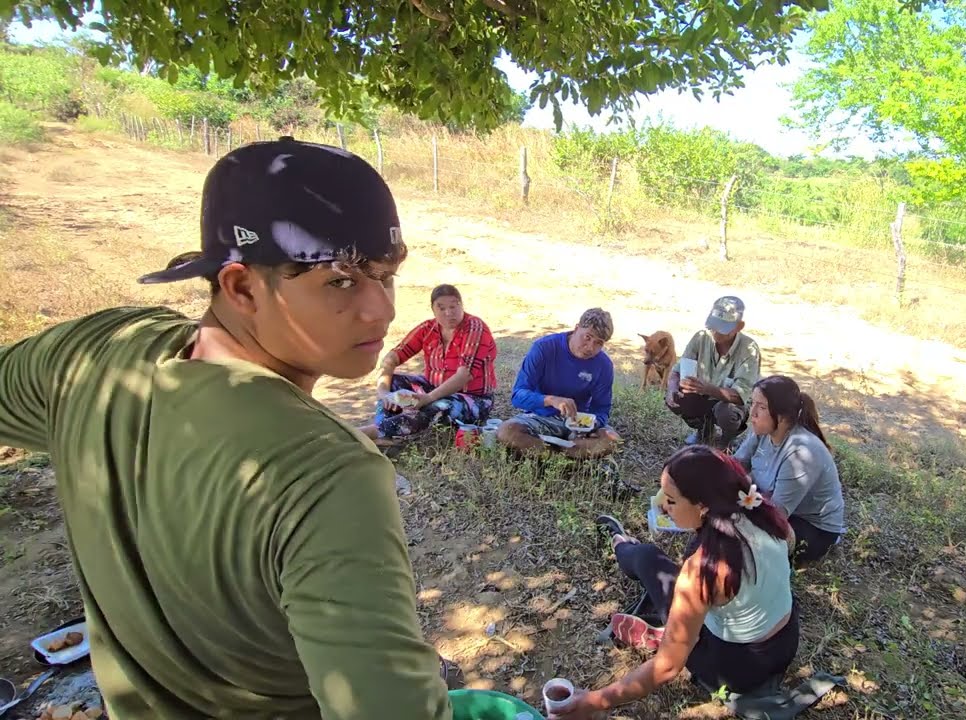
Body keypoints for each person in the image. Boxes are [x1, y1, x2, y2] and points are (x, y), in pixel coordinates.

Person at [0, 139, 451, 718]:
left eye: (386, 276)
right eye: (341, 280)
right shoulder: (328, 477)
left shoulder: (92, 354)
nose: (382, 310)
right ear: (240, 287)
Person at [554, 447, 798, 719]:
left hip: (735, 667)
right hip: (784, 643)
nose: (661, 505)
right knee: (661, 570)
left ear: (703, 506)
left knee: (647, 558)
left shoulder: (702, 570)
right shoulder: (763, 513)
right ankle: (633, 563)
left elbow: (668, 667)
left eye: (670, 500)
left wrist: (593, 702)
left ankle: (620, 544)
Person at [359, 283, 498, 443]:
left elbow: (464, 375)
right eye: (442, 308)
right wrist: (384, 393)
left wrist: (428, 398)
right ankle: (385, 434)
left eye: (453, 306)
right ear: (433, 310)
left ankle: (372, 432)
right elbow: (391, 359)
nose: (449, 313)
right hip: (433, 388)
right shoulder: (428, 329)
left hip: (472, 397)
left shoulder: (474, 328)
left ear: (461, 305)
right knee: (394, 382)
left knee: (438, 407)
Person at [734, 375, 846, 564]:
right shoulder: (762, 432)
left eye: (761, 407)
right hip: (769, 501)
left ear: (783, 415)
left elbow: (776, 516)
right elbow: (734, 467)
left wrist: (733, 511)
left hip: (811, 526)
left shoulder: (801, 452)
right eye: (752, 403)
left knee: (746, 542)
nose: (751, 412)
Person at [496, 308, 620, 460]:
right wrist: (550, 400)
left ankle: (552, 455)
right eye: (587, 337)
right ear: (576, 328)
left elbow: (601, 409)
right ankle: (565, 458)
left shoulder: (604, 365)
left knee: (612, 439)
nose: (590, 347)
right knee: (507, 431)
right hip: (540, 417)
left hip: (578, 423)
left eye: (598, 343)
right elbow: (518, 395)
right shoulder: (544, 348)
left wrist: (589, 425)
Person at [667, 296, 762, 449]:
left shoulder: (749, 349)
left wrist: (707, 388)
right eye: (714, 325)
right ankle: (704, 430)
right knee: (678, 397)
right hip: (703, 397)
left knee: (727, 412)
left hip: (731, 403)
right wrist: (672, 387)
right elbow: (677, 371)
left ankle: (727, 439)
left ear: (739, 326)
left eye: (723, 328)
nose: (716, 331)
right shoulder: (701, 338)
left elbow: (740, 395)